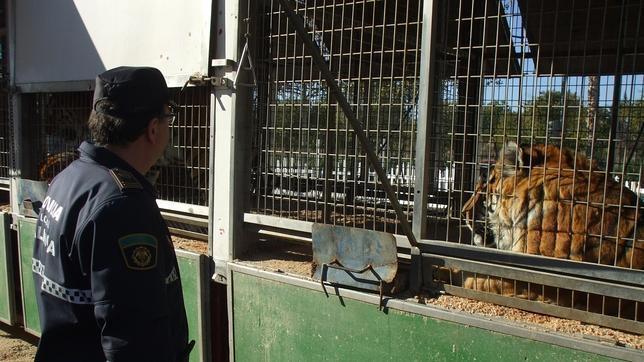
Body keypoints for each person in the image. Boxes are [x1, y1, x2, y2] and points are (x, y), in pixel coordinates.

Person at [32, 66, 193, 361]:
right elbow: (133, 340)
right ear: (153, 129)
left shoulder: (69, 179)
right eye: (168, 119)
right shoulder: (122, 205)